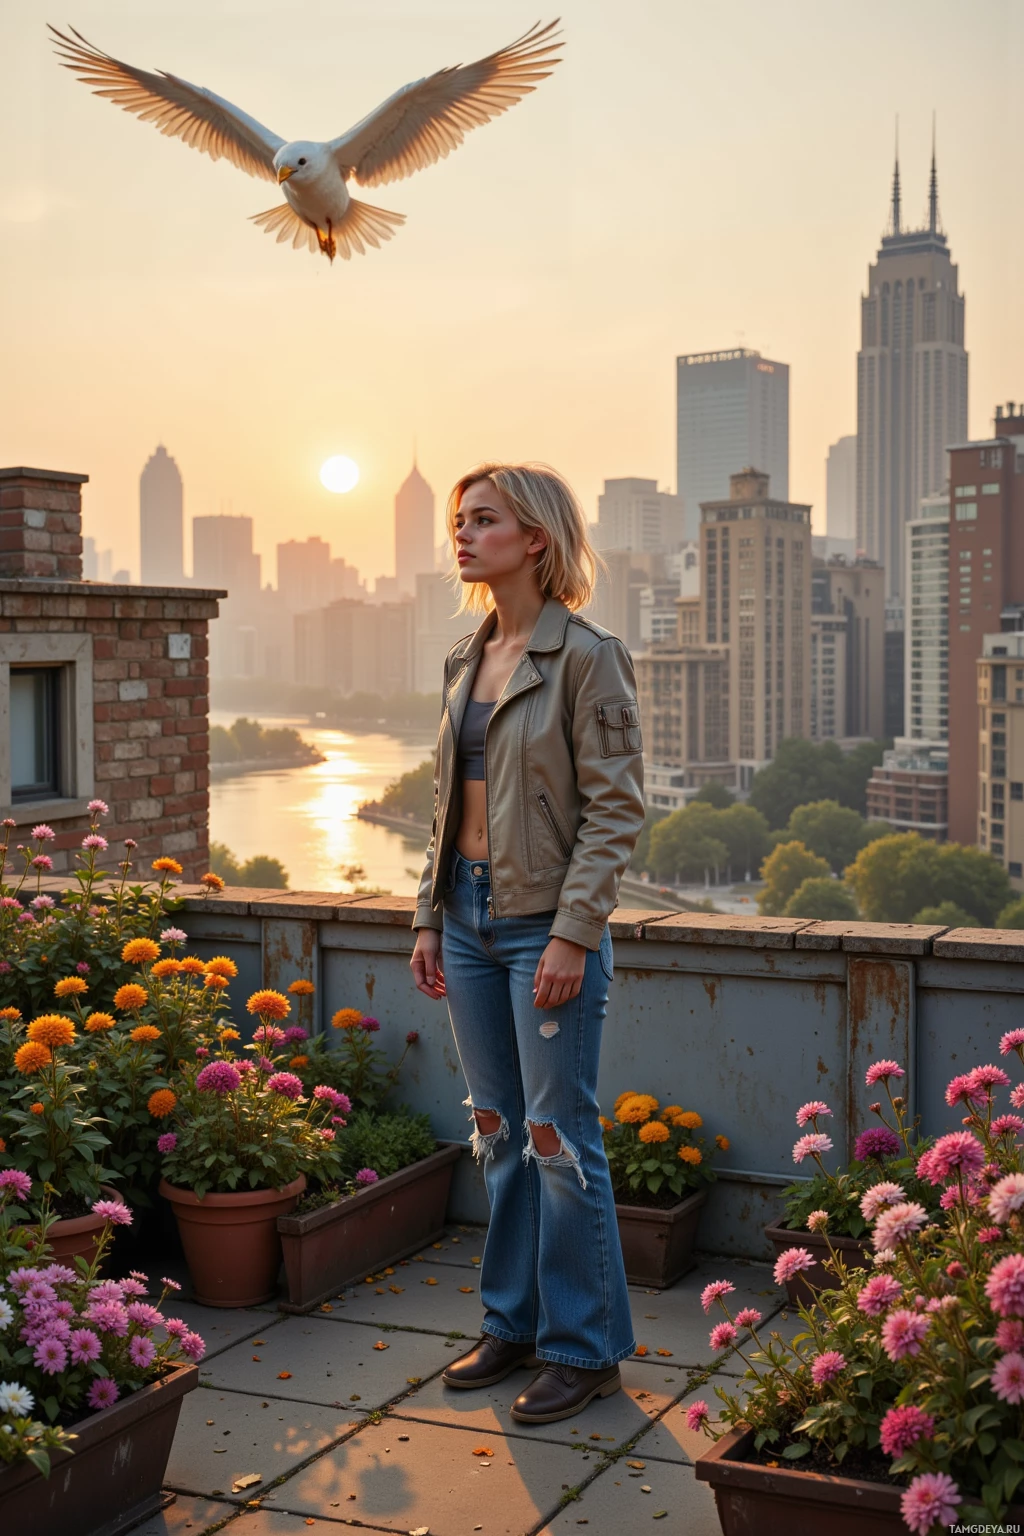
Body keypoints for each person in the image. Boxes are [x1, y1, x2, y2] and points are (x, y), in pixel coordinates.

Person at [410, 462, 645, 1424]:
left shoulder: (587, 656)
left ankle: (584, 1349)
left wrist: (573, 934)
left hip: (543, 927)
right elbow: (446, 804)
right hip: (464, 919)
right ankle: (510, 1325)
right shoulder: (469, 654)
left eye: (484, 521)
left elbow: (616, 810)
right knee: (497, 1133)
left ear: (536, 537)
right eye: (458, 521)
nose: (462, 536)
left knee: (558, 1140)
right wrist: (429, 913)